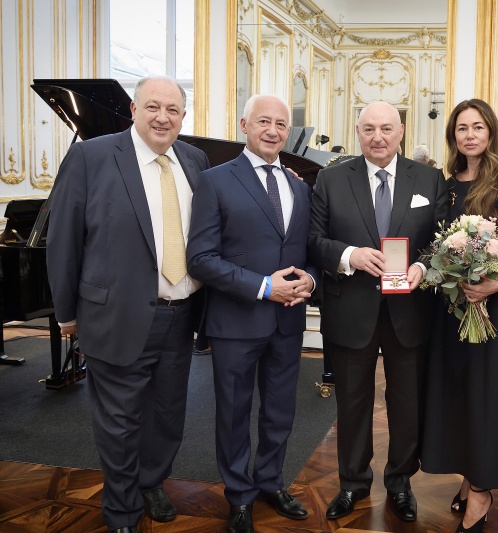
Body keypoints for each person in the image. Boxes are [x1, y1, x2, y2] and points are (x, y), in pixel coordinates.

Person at [46, 76, 210, 533]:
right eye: (153, 106)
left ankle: (152, 481)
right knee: (118, 422)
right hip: (113, 314)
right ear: (134, 109)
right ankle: (120, 510)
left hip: (181, 316)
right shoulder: (91, 156)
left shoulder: (194, 160)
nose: (163, 117)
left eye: (173, 109)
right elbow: (63, 241)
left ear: (183, 116)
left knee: (167, 413)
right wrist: (66, 313)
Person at [308, 101, 448, 522]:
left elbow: (442, 239)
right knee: (352, 402)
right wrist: (350, 254)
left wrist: (423, 267)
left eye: (386, 128)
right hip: (351, 309)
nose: (378, 137)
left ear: (401, 130)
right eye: (369, 129)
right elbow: (313, 239)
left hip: (410, 310)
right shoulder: (331, 179)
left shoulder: (428, 178)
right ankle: (352, 483)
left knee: (407, 402)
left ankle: (401, 483)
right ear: (357, 130)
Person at [186, 94, 317, 533]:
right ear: (244, 124)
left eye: (281, 124)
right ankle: (238, 496)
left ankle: (270, 481)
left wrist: (309, 282)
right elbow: (200, 258)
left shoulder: (300, 186)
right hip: (236, 322)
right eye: (264, 121)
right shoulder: (215, 181)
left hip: (287, 323)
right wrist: (264, 287)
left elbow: (306, 251)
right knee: (234, 413)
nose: (273, 130)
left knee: (281, 411)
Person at [420, 98, 498, 533]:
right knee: (462, 396)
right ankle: (469, 476)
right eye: (462, 128)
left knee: (487, 399)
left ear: (490, 134)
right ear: (453, 137)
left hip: (496, 312)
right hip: (452, 313)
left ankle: (482, 491)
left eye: (478, 127)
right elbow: (435, 245)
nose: (469, 135)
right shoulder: (446, 185)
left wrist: (496, 283)